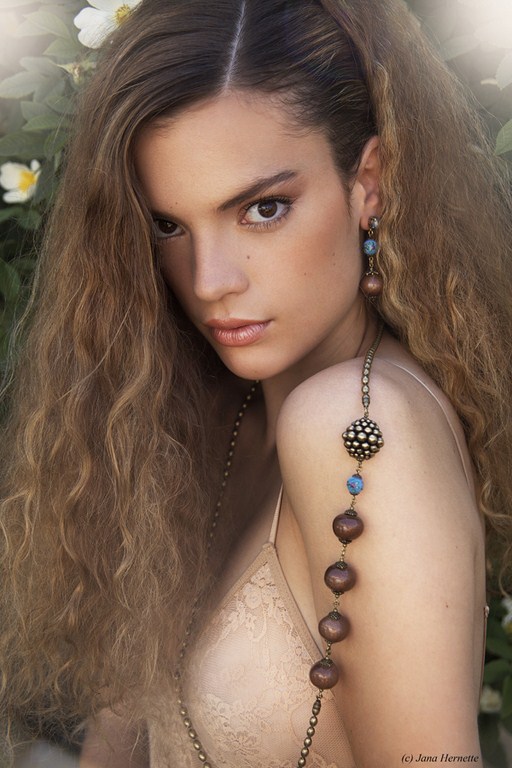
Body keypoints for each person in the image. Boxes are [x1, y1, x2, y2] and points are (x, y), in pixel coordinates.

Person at [1, 0, 512, 766]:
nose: (210, 281)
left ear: (368, 183)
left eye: (263, 209)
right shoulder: (214, 419)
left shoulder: (360, 426)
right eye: (168, 225)